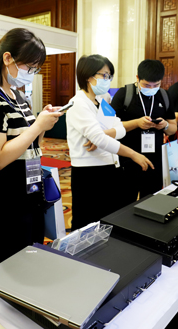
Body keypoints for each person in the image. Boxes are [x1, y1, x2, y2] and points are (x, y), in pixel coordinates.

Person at [0, 28, 62, 267]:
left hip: (30, 192)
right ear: (7, 58)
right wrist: (37, 125)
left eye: (36, 68)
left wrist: (43, 125)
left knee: (31, 259)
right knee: (11, 264)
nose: (32, 73)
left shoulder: (17, 97)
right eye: (30, 66)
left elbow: (32, 145)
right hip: (6, 199)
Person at [66, 54, 155, 230]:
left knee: (108, 220)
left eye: (109, 76)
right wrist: (133, 154)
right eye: (104, 75)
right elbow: (99, 138)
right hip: (88, 173)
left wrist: (105, 134)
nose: (107, 80)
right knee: (87, 224)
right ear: (88, 76)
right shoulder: (78, 103)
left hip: (109, 168)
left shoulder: (102, 101)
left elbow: (119, 127)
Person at [112, 59, 177, 201]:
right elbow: (110, 128)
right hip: (127, 158)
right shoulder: (124, 94)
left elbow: (173, 128)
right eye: (147, 85)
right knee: (124, 201)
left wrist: (165, 125)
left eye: (156, 85)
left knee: (151, 201)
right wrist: (136, 123)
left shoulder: (164, 96)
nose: (151, 88)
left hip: (155, 161)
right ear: (137, 78)